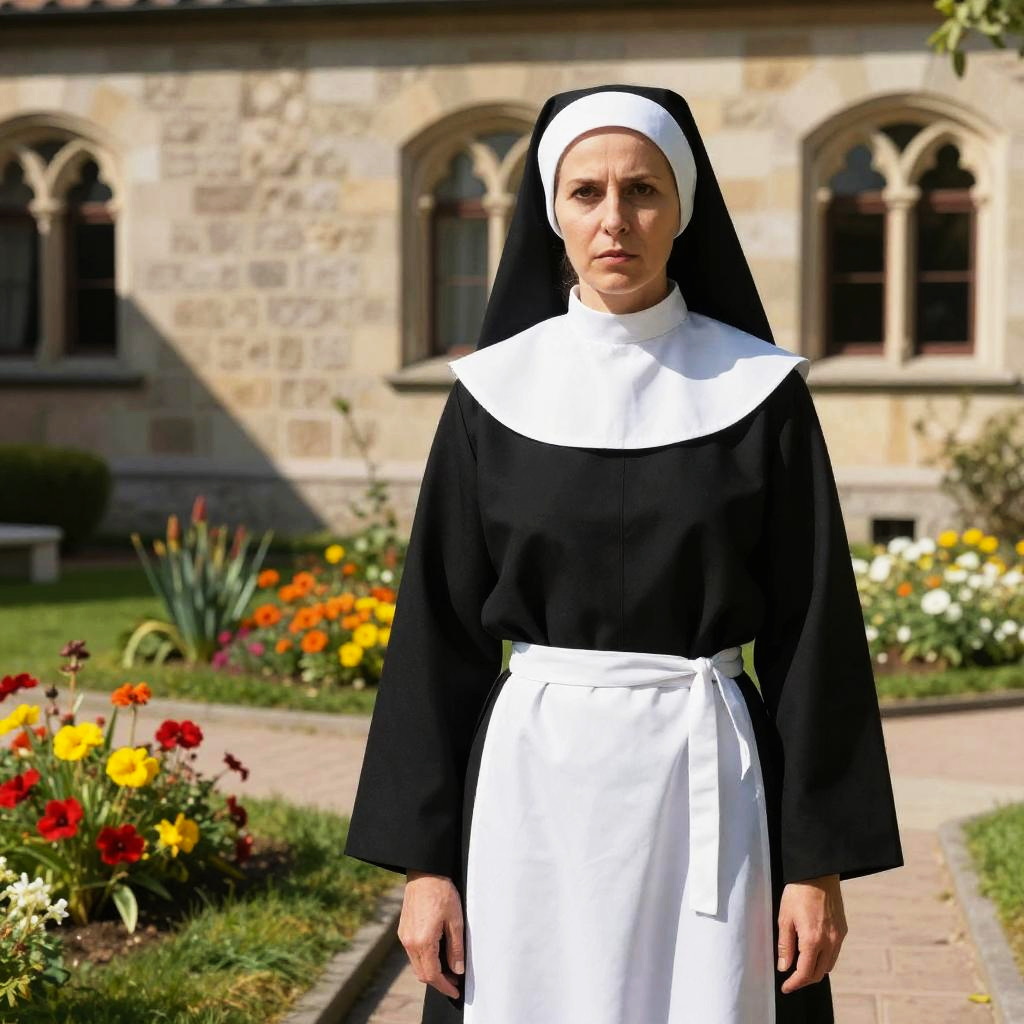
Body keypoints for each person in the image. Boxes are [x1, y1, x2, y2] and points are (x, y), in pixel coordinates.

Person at [343, 84, 904, 1024]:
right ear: (551, 214)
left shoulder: (760, 395)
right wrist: (427, 867)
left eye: (642, 191)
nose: (616, 220)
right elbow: (436, 639)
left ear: (683, 207)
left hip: (710, 783)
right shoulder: (493, 397)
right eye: (587, 193)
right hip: (533, 792)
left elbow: (816, 635)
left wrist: (815, 865)